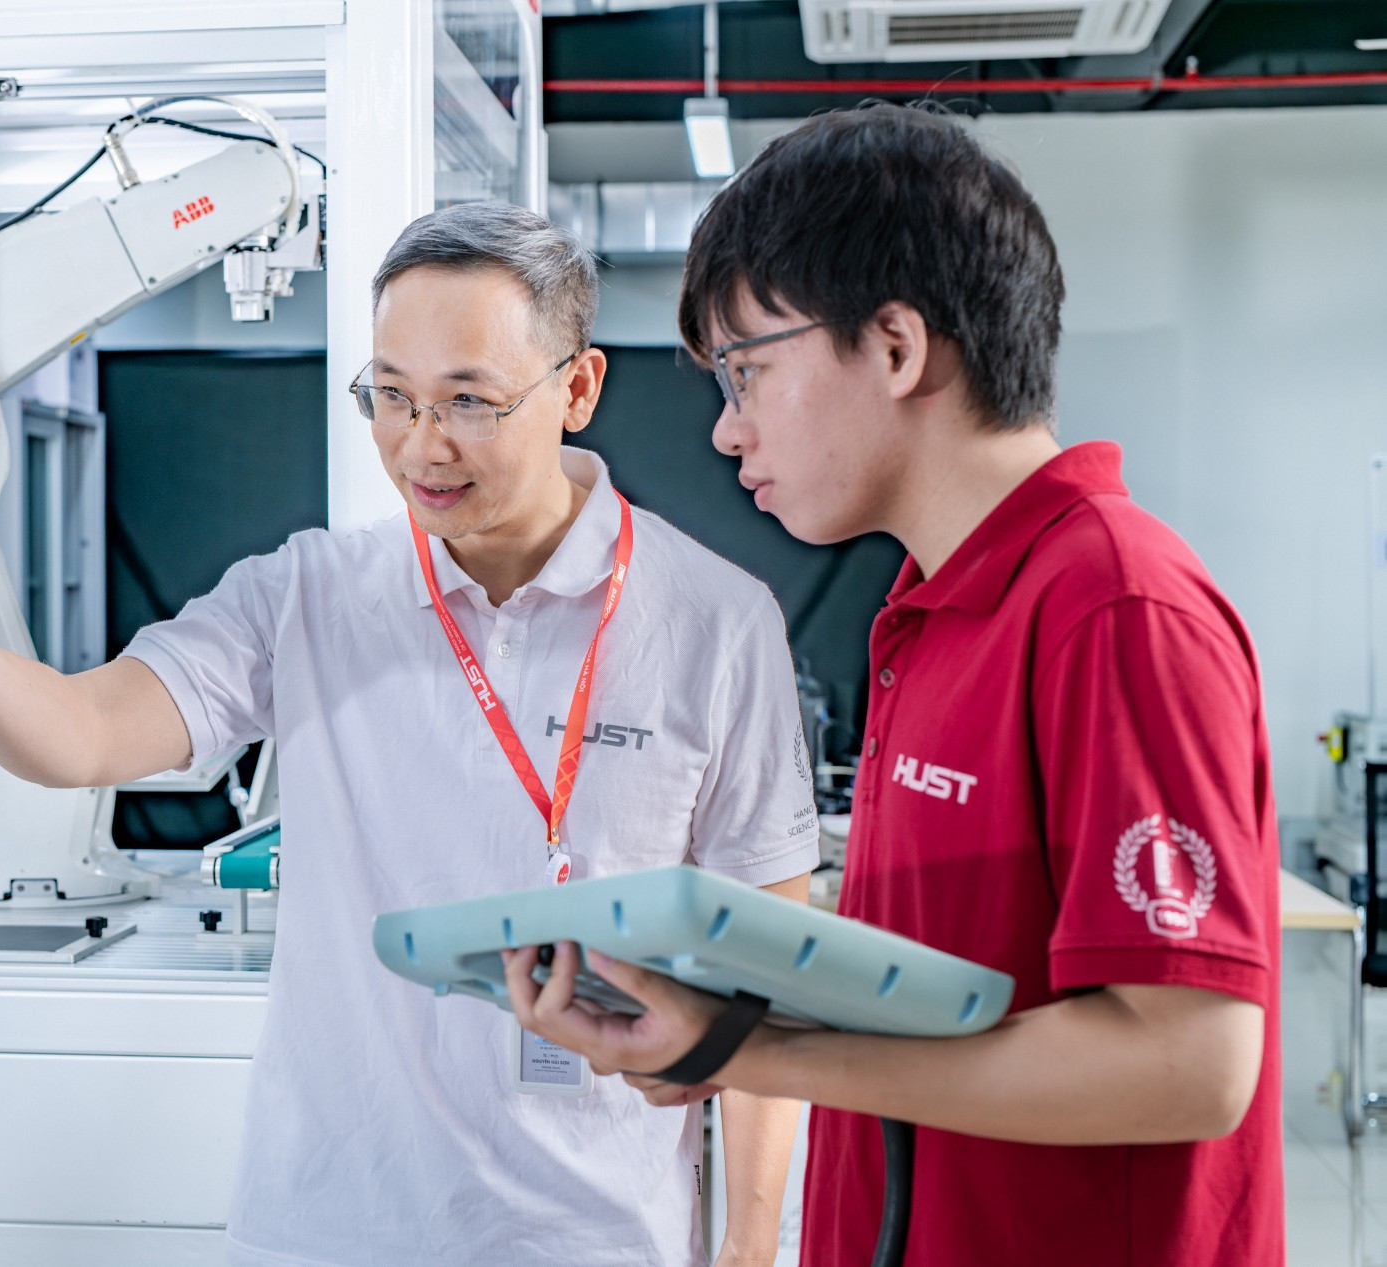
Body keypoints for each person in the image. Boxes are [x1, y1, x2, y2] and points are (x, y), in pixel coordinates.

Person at [0, 201, 821, 1266]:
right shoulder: (307, 596)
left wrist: (749, 1248)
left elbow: (763, 963)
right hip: (327, 1230)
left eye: (469, 401)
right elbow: (85, 733)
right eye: (392, 396)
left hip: (597, 1235)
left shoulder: (714, 622)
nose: (422, 445)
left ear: (578, 389)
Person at [503, 103, 1284, 1266]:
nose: (726, 433)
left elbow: (1188, 1062)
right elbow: (965, 986)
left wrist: (752, 1052)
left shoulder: (1114, 606)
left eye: (745, 373)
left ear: (895, 347)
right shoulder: (932, 613)